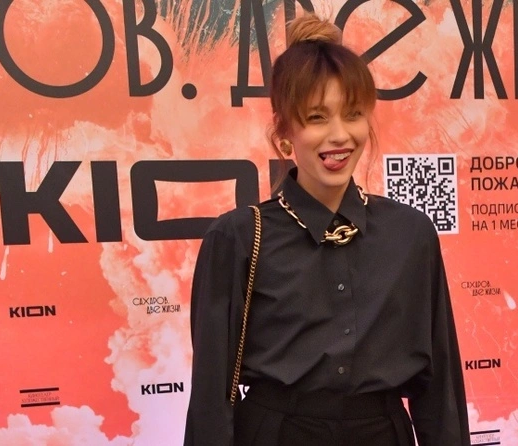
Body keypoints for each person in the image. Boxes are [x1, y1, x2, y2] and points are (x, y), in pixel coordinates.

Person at [184, 13, 470, 446]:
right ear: (285, 133)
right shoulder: (237, 237)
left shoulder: (410, 234)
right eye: (317, 118)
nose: (340, 136)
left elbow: (439, 386)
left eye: (353, 114)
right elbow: (211, 395)